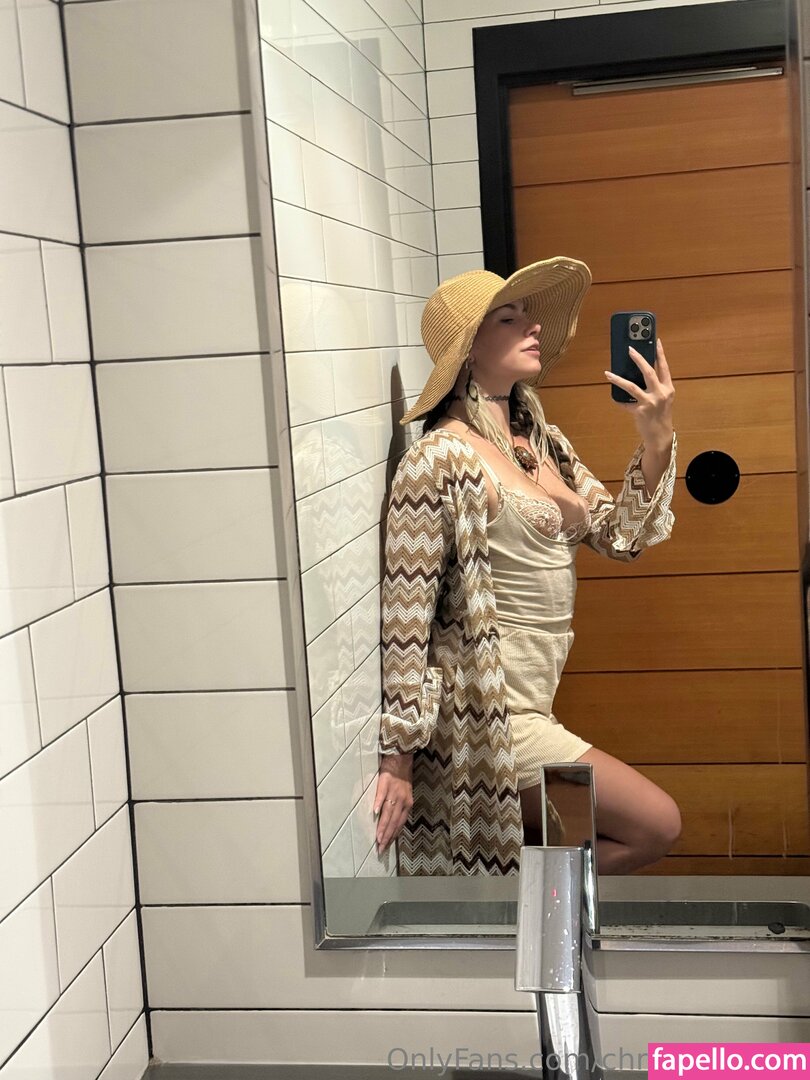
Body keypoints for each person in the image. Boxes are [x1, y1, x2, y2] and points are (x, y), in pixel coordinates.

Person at [373, 257, 680, 877]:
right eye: (509, 319)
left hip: (536, 703)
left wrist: (656, 439)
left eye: (528, 315)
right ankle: (526, 908)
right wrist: (398, 761)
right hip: (486, 719)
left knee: (561, 848)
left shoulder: (541, 441)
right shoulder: (439, 460)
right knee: (655, 824)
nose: (533, 326)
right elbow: (407, 616)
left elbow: (621, 536)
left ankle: (521, 912)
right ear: (467, 350)